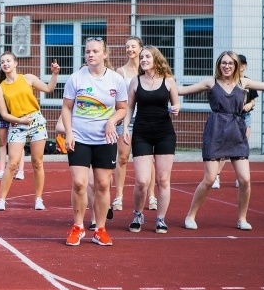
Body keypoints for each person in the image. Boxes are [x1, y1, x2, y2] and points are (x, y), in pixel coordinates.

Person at [179, 50, 264, 231]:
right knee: (209, 179)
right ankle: (190, 216)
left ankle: (242, 218)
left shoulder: (243, 82)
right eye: (223, 63)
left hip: (236, 132)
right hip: (216, 131)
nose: (226, 66)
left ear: (236, 66)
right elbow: (182, 90)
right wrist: (159, 82)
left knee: (245, 180)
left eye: (230, 63)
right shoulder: (211, 82)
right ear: (219, 65)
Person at [61, 38, 127, 246]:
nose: (90, 54)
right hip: (79, 138)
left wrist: (112, 121)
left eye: (95, 51)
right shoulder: (76, 78)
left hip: (105, 140)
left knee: (102, 184)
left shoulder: (116, 80)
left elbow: (123, 108)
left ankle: (100, 229)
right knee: (80, 183)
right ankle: (78, 226)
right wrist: (69, 133)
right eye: (87, 51)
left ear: (105, 54)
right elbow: (66, 108)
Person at [0, 52, 59, 211]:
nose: (5, 63)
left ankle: (39, 199)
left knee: (37, 162)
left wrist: (55, 74)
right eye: (2, 62)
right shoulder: (0, 89)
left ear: (15, 63)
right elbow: (5, 114)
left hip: (36, 121)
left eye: (8, 61)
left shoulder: (28, 78)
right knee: (12, 163)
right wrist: (20, 120)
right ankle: (1, 200)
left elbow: (49, 88)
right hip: (17, 123)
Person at [122, 46, 180, 234]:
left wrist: (176, 109)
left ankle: (161, 219)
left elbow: (176, 104)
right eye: (142, 57)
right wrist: (125, 128)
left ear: (156, 58)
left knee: (163, 179)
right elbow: (129, 108)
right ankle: (138, 214)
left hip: (165, 134)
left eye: (147, 56)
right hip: (141, 134)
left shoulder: (169, 81)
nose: (144, 59)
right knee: (142, 181)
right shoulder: (135, 81)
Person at [115, 36, 156, 211]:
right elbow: (118, 98)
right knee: (122, 158)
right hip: (126, 120)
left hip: (146, 119)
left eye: (133, 46)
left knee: (149, 159)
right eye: (127, 47)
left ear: (141, 48)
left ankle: (152, 196)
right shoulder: (120, 72)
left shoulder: (147, 69)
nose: (130, 49)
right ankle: (118, 196)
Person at [213, 53, 258, 189]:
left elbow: (254, 100)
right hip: (227, 119)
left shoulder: (247, 82)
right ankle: (216, 176)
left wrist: (249, 105)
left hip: (244, 117)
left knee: (241, 148)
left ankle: (240, 177)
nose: (241, 66)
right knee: (223, 150)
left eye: (243, 64)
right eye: (225, 63)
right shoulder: (220, 82)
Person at [0, 100, 25, 180]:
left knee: (19, 142)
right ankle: (1, 170)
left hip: (16, 114)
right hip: (0, 115)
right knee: (2, 143)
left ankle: (20, 171)